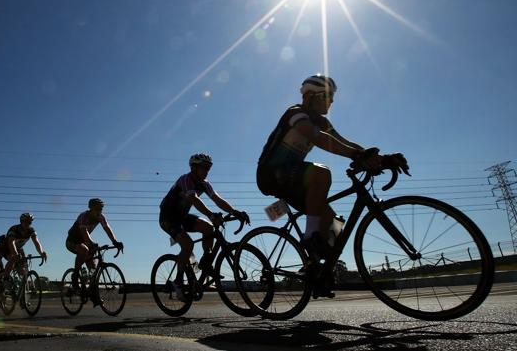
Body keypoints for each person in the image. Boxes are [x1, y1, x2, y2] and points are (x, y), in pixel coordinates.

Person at [256, 74, 382, 292]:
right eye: (328, 96)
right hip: (270, 174)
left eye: (333, 97)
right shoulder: (296, 113)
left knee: (335, 227)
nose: (331, 102)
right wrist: (356, 155)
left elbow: (343, 142)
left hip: (293, 177)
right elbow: (318, 138)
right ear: (311, 96)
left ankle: (312, 268)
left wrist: (377, 158)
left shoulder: (322, 121)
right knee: (321, 173)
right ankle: (310, 236)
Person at [159, 153, 249, 301]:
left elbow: (217, 199)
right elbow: (194, 200)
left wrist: (235, 211)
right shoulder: (186, 179)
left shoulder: (204, 183)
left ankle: (206, 262)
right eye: (203, 168)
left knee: (209, 228)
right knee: (187, 245)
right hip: (168, 218)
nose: (206, 171)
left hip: (182, 217)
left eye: (208, 168)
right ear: (193, 168)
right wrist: (211, 214)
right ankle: (178, 281)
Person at [66, 198, 123, 306]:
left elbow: (107, 228)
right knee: (84, 249)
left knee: (93, 267)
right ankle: (75, 274)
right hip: (72, 241)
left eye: (101, 209)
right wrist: (92, 244)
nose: (99, 211)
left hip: (84, 241)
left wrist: (115, 242)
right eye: (97, 209)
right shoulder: (83, 216)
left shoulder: (101, 217)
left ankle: (92, 294)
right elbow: (84, 232)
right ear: (90, 208)